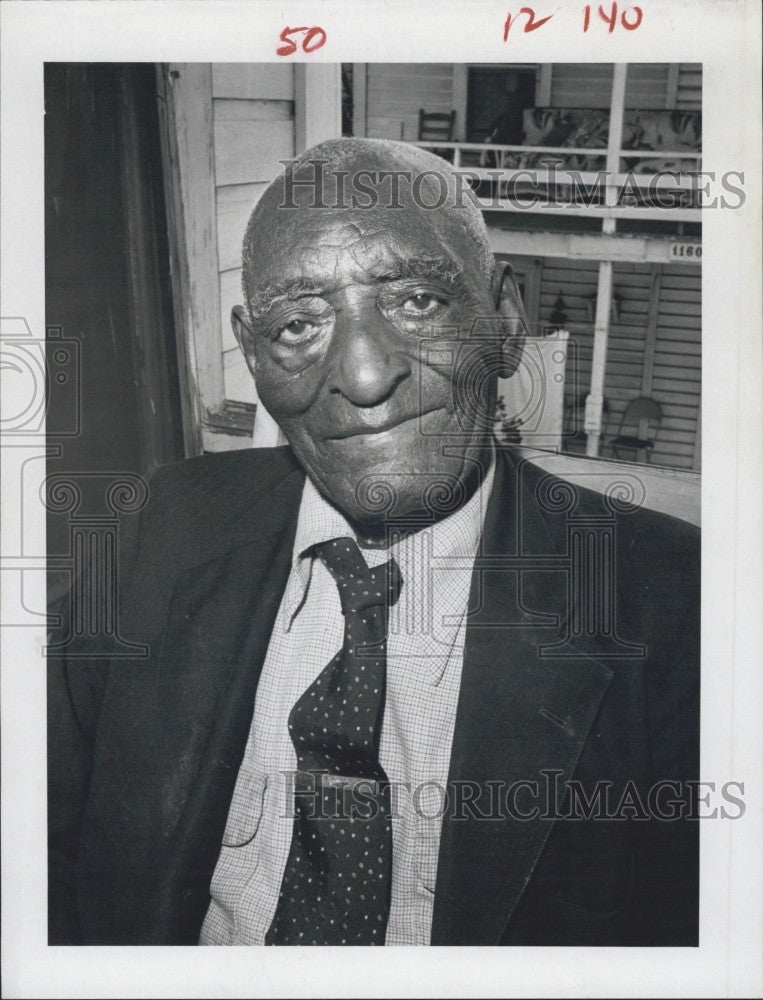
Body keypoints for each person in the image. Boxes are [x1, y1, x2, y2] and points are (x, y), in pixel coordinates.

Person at [48, 138, 699, 947]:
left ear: (503, 318)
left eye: (415, 302)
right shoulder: (161, 526)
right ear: (252, 354)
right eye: (298, 324)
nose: (361, 376)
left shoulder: (680, 607)